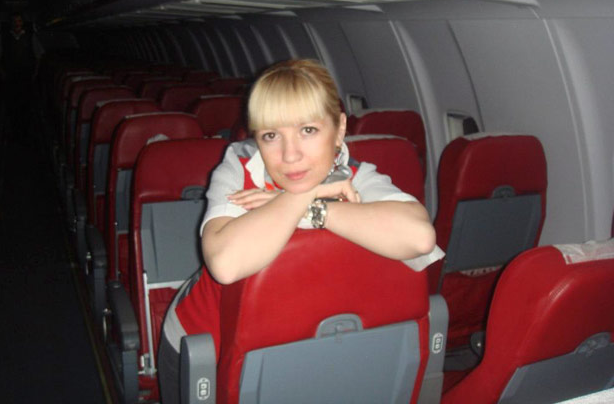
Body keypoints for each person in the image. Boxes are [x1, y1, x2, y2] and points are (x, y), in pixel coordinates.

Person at [157, 59, 444, 403]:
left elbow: (419, 237)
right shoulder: (240, 166)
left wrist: (310, 210)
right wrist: (303, 194)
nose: (290, 155)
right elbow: (226, 265)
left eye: (308, 130)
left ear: (339, 129)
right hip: (204, 346)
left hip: (308, 339)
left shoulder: (358, 175)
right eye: (271, 135)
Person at [0, 13, 44, 140]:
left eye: (19, 21)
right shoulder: (2, 37)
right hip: (10, 75)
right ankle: (13, 131)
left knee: (26, 103)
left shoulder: (31, 36)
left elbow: (38, 56)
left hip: (26, 75)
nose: (17, 23)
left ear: (22, 22)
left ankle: (26, 131)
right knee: (11, 103)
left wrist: (35, 72)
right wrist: (1, 71)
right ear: (11, 23)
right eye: (14, 21)